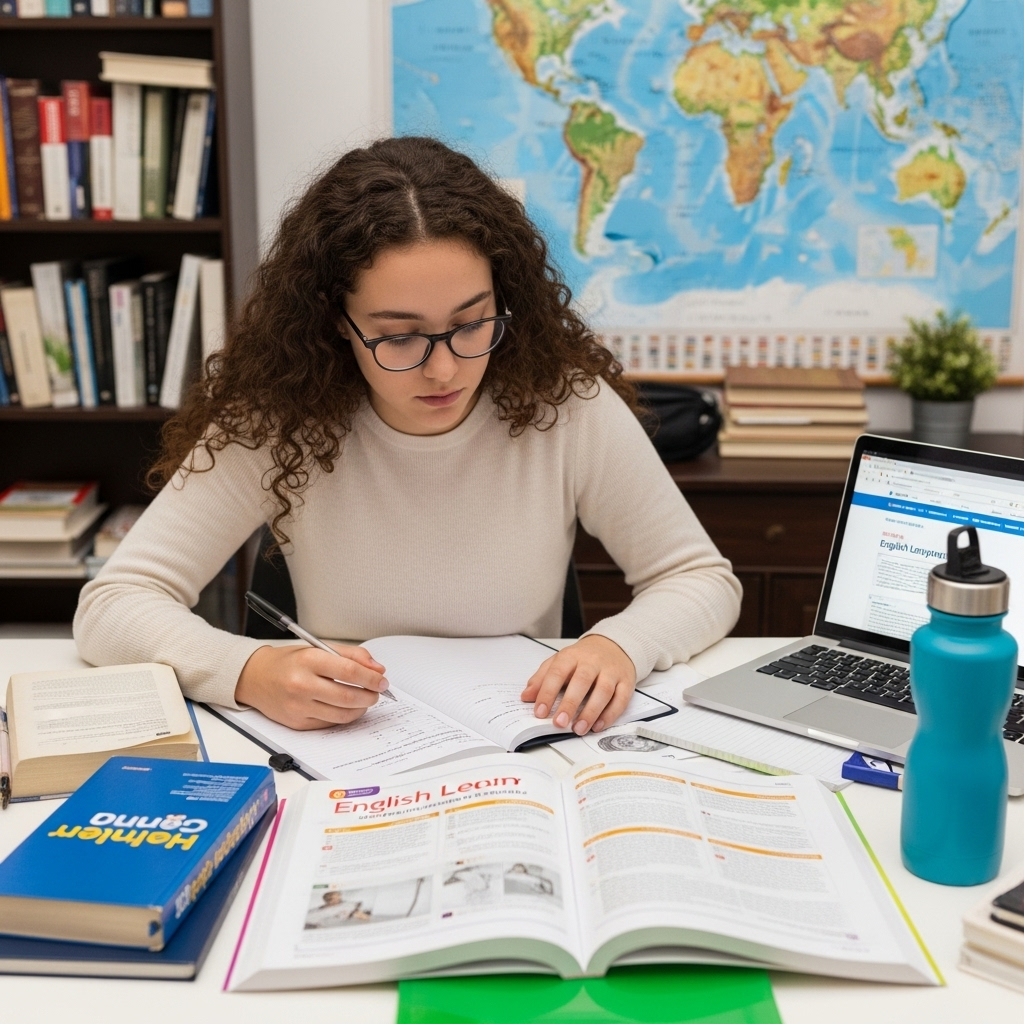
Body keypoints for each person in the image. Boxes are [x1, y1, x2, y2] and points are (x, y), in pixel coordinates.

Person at [73, 137, 741, 735]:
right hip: (343, 746)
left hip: (524, 740)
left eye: (472, 322)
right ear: (337, 320)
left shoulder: (568, 408)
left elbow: (699, 579)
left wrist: (622, 643)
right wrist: (247, 669)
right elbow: (112, 605)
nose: (445, 368)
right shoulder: (276, 419)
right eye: (398, 336)